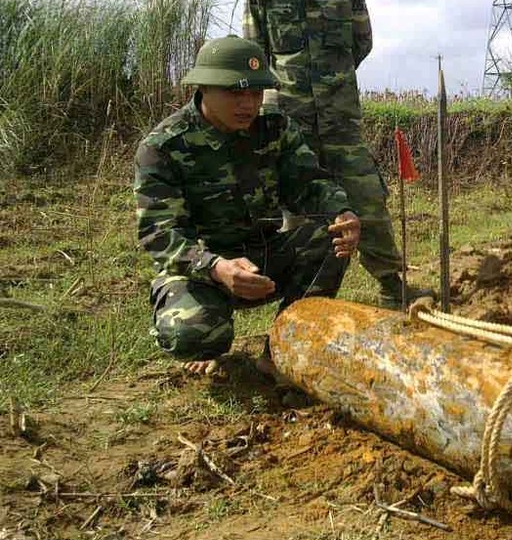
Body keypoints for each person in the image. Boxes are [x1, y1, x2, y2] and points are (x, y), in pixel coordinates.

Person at [243, 0, 432, 310]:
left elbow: (361, 42)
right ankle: (303, 301)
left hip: (341, 119)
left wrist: (332, 82)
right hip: (290, 121)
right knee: (302, 211)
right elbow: (255, 56)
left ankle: (391, 286)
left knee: (367, 199)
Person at [134, 35, 361, 376]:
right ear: (203, 88)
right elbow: (159, 234)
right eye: (235, 93)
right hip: (203, 270)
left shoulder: (273, 127)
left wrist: (341, 213)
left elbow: (308, 183)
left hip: (264, 255)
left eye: (255, 93)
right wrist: (215, 267)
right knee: (194, 335)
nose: (248, 104)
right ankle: (210, 341)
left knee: (330, 237)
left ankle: (282, 349)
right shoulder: (163, 146)